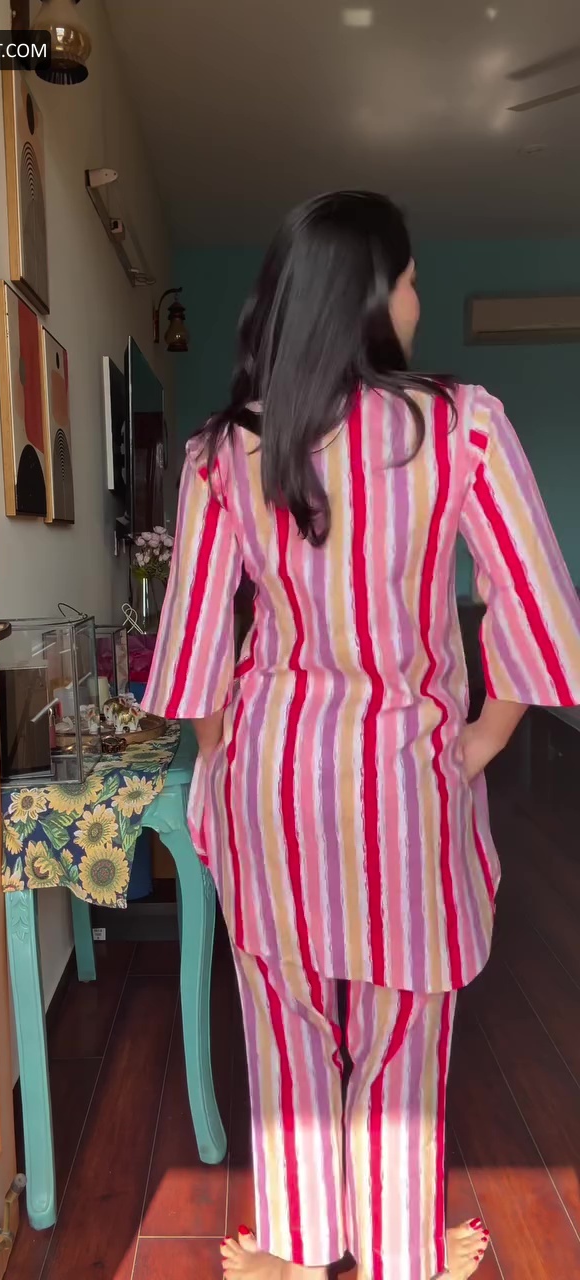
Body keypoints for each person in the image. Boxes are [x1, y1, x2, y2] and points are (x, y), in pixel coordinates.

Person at [141, 192, 580, 1280]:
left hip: (268, 777)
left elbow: (195, 644)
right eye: (413, 279)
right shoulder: (461, 424)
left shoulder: (221, 451)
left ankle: (296, 1250)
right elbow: (539, 607)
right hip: (405, 781)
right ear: (374, 294)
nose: (420, 299)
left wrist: (222, 763)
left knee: (282, 1016)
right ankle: (394, 1249)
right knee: (405, 1026)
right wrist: (481, 742)